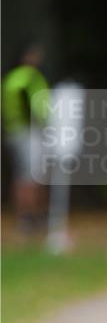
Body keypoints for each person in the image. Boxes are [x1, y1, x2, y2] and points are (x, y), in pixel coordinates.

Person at [1, 41, 50, 237]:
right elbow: (34, 107)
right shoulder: (28, 78)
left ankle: (26, 216)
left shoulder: (10, 78)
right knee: (31, 176)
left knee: (22, 175)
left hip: (13, 132)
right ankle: (31, 216)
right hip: (28, 133)